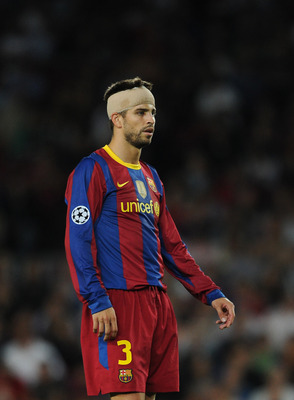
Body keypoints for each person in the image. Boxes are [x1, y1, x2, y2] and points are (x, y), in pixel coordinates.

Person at [64, 77, 235, 400]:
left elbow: (171, 246)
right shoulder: (93, 169)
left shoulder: (151, 177)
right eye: (141, 112)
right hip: (118, 301)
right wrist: (97, 299)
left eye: (153, 112)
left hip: (158, 303)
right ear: (117, 119)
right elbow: (77, 241)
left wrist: (211, 292)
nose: (151, 119)